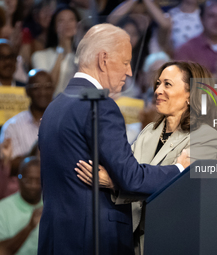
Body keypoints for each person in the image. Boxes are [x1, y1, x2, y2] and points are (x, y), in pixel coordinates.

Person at [38, 23, 190, 255]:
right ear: (103, 59)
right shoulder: (100, 105)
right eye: (126, 62)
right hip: (93, 242)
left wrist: (113, 181)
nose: (129, 72)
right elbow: (132, 178)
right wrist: (180, 169)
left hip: (56, 239)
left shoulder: (54, 106)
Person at [75, 61, 217, 254]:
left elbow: (176, 189)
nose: (158, 90)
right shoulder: (149, 131)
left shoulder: (205, 135)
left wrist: (115, 183)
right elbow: (131, 173)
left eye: (167, 84)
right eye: (158, 83)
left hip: (172, 238)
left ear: (190, 94)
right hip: (134, 239)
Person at [0, 70, 54, 180]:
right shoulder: (12, 126)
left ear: (53, 89)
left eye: (47, 87)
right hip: (22, 192)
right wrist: (35, 151)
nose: (43, 92)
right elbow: (8, 166)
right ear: (27, 91)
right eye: (36, 87)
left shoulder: (63, 123)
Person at [31, 4, 80, 97]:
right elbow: (49, 88)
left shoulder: (82, 57)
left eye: (71, 20)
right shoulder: (40, 56)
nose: (67, 24)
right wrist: (61, 50)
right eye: (61, 20)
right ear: (54, 26)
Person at [0, 156, 43, 255]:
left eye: (38, 181)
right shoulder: (3, 209)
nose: (33, 185)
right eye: (28, 180)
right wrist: (29, 227)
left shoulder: (50, 205)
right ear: (19, 179)